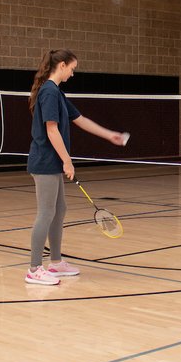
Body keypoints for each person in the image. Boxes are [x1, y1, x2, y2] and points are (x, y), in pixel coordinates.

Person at [26, 49, 128, 286]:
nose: (73, 74)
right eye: (72, 69)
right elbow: (51, 129)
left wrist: (109, 135)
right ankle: (33, 268)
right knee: (46, 213)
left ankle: (56, 262)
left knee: (59, 210)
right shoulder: (49, 92)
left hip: (51, 162)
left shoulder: (57, 93)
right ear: (61, 65)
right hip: (44, 162)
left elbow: (80, 119)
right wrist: (67, 160)